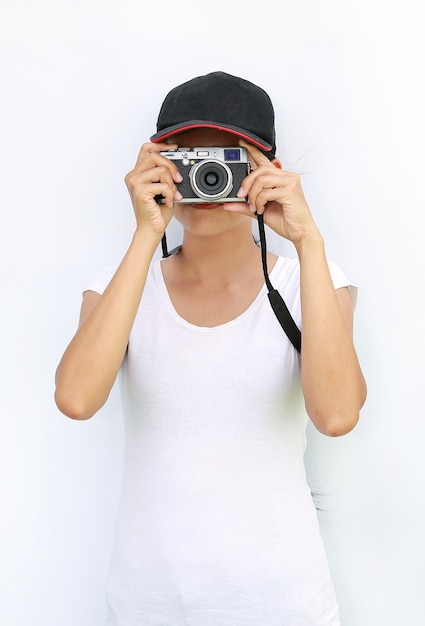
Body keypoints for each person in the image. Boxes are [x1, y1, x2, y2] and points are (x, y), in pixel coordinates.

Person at [55, 71, 367, 626]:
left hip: (283, 604)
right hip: (146, 603)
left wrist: (309, 242)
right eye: (185, 161)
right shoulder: (118, 287)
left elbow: (338, 415)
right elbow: (77, 399)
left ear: (268, 173)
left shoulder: (309, 282)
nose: (207, 177)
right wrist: (147, 233)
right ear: (155, 167)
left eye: (227, 161)